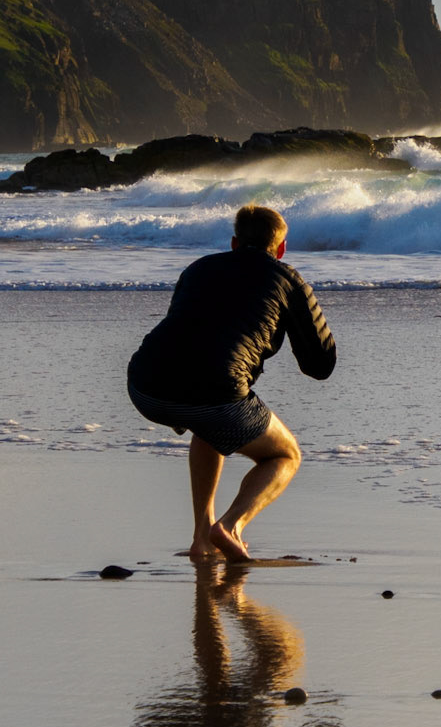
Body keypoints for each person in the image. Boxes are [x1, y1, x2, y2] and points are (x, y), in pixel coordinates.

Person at [127, 203, 335, 560]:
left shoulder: (198, 269)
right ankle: (230, 526)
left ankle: (202, 539)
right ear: (281, 248)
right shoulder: (287, 279)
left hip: (145, 385)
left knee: (207, 425)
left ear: (235, 242)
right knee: (285, 455)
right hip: (216, 393)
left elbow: (184, 328)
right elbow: (319, 365)